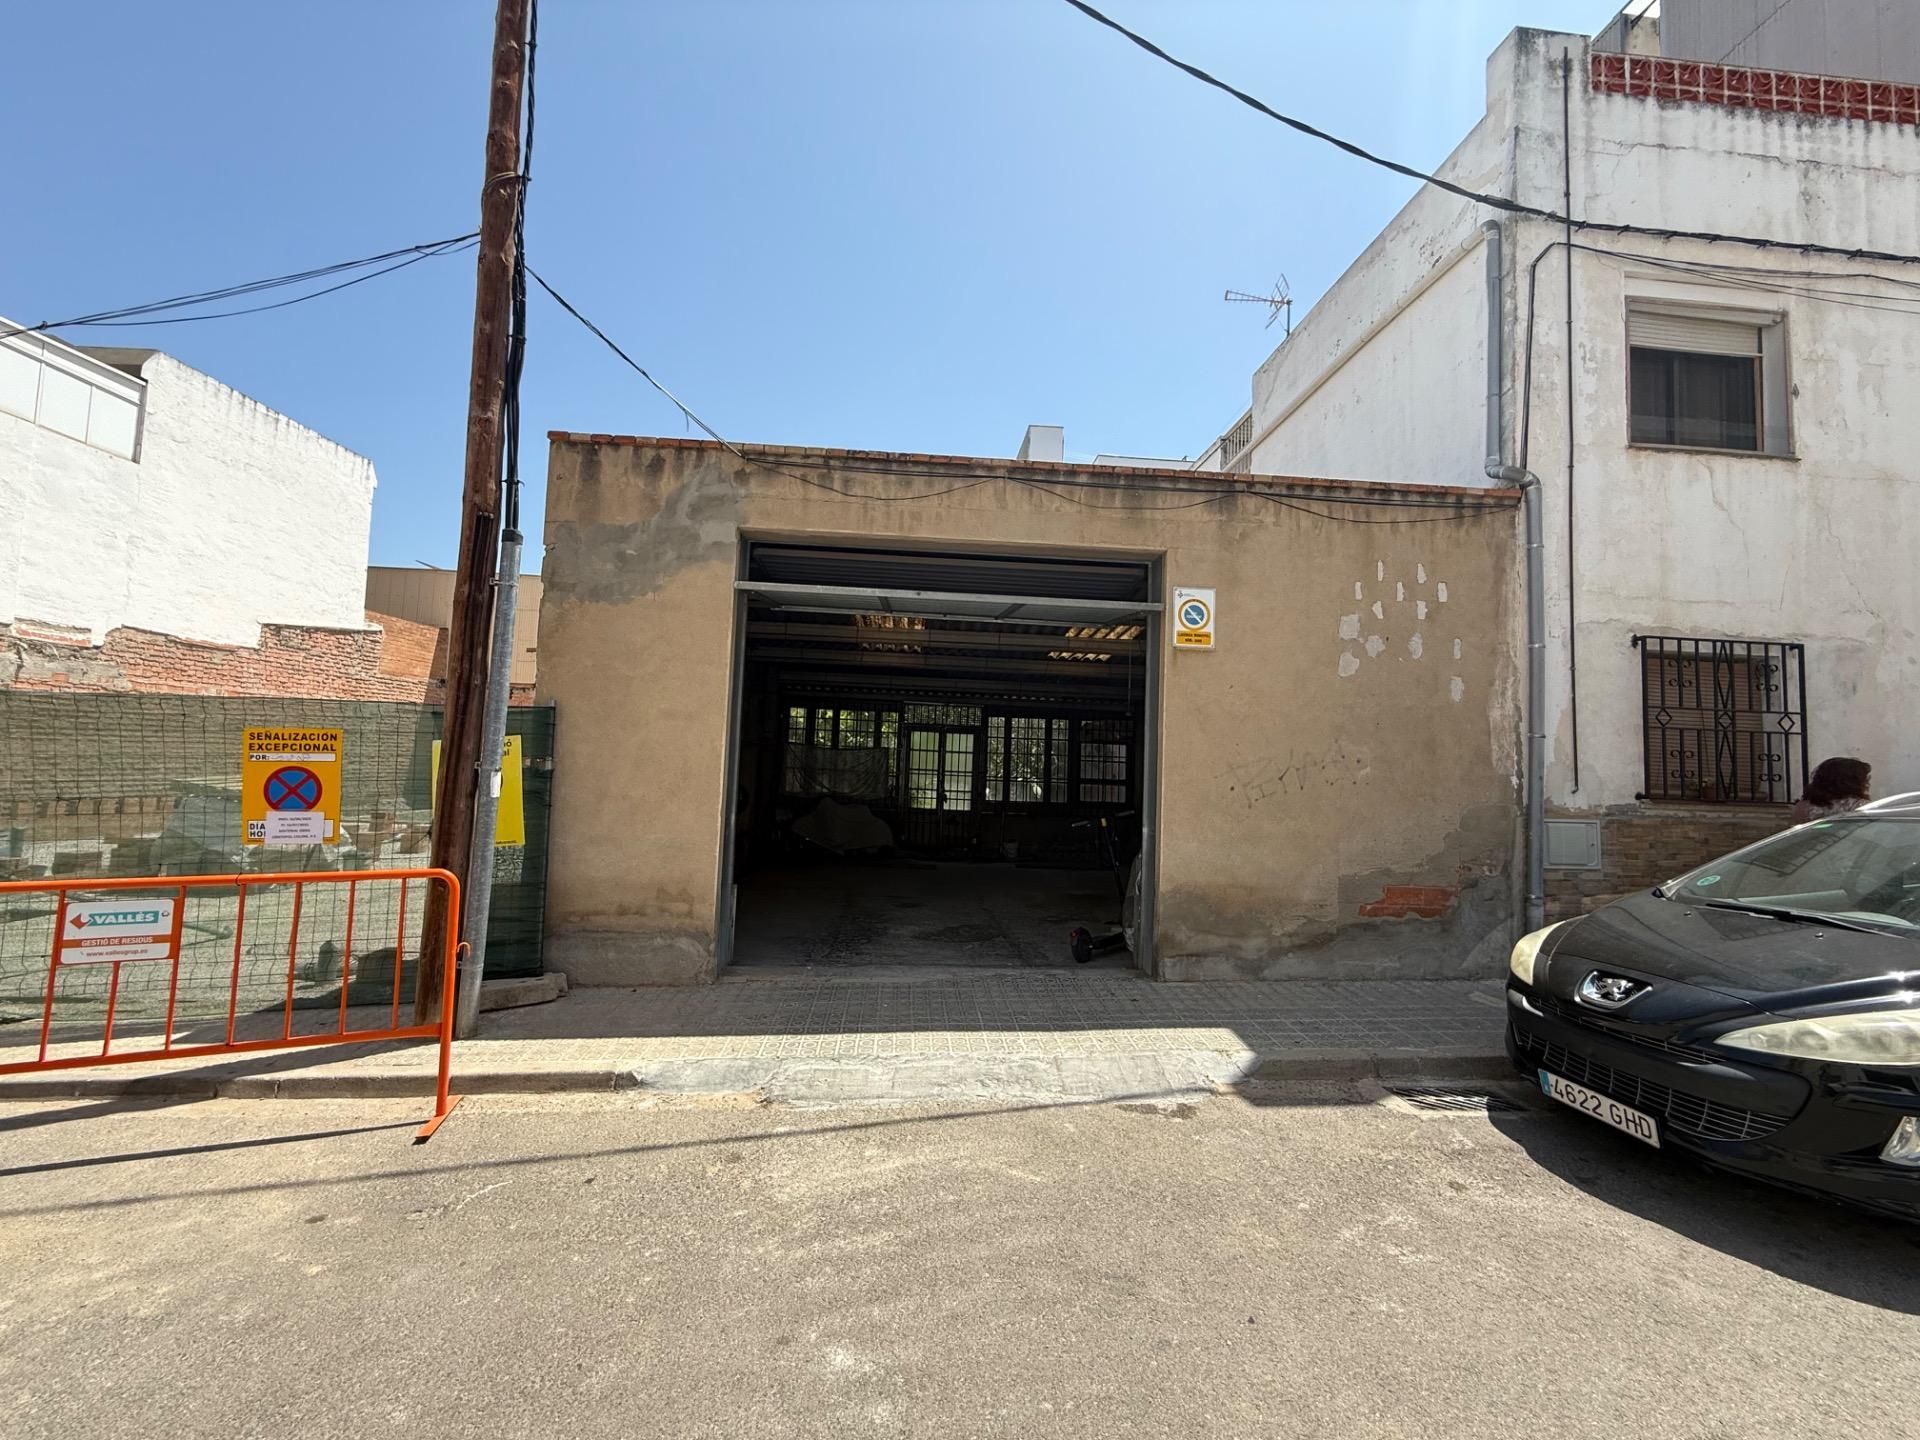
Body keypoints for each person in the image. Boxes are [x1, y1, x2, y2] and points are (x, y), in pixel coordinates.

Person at [1791, 756, 1872, 824]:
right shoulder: (1861, 807)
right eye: (1865, 779)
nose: (1867, 783)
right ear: (1851, 782)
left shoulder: (1803, 807)